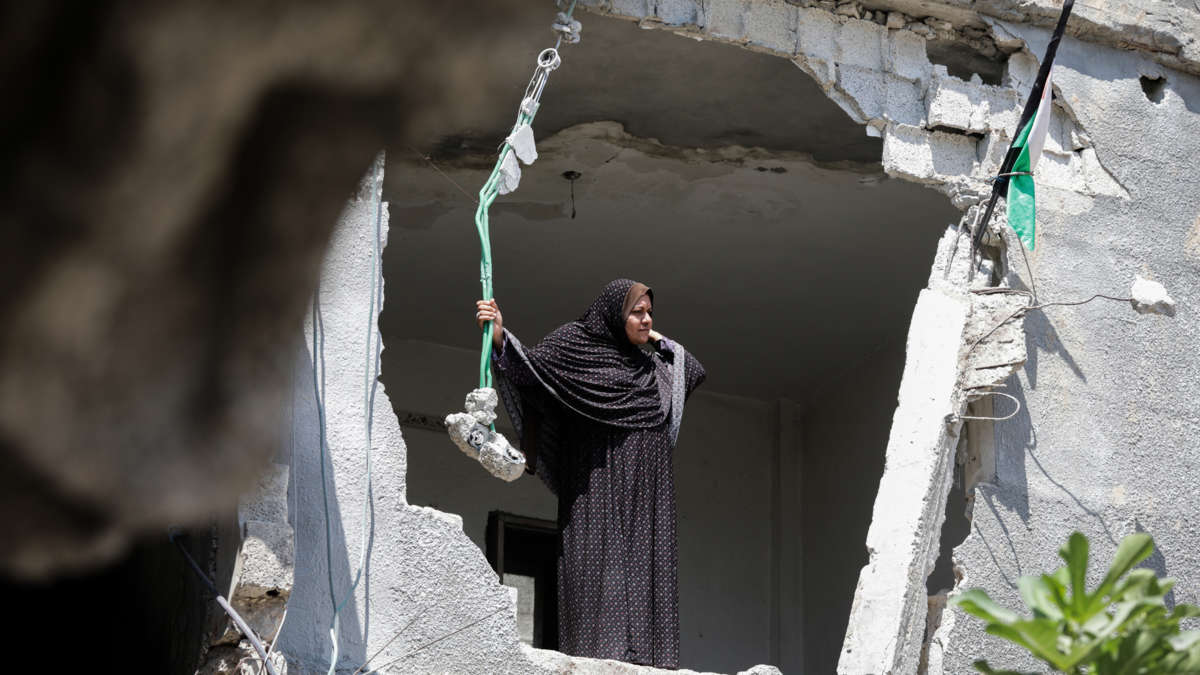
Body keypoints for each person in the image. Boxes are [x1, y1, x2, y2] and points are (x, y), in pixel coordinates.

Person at [474, 278, 705, 668]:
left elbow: (692, 369)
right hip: (595, 484)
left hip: (648, 492)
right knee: (601, 576)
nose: (647, 319)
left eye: (650, 312)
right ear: (614, 315)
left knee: (646, 572)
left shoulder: (649, 367)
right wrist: (500, 337)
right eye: (637, 312)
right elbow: (532, 371)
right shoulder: (574, 343)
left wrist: (650, 335)